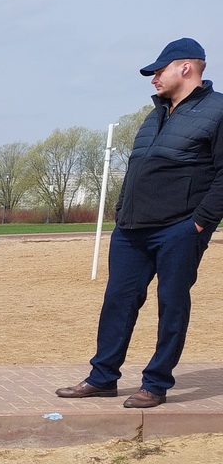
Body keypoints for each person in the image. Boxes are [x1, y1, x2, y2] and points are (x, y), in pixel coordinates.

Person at [57, 37, 223, 408]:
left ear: (185, 67)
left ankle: (156, 383)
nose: (153, 78)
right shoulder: (154, 116)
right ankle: (102, 378)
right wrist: (121, 212)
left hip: (180, 229)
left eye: (159, 71)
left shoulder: (218, 110)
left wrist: (199, 223)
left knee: (171, 305)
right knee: (117, 302)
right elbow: (136, 168)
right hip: (131, 230)